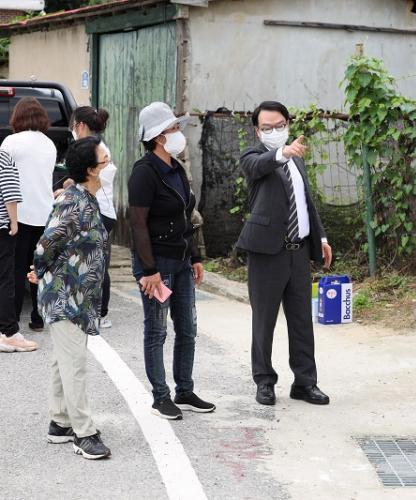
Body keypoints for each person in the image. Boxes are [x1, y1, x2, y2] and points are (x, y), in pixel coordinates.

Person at [236, 101, 333, 407]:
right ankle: (264, 381)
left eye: (279, 126)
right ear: (257, 131)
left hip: (298, 251)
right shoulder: (253, 156)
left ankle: (305, 382)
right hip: (267, 253)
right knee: (264, 320)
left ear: (288, 124)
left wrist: (321, 238)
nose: (274, 131)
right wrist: (282, 152)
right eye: (267, 128)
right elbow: (258, 167)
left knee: (302, 320)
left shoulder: (297, 160)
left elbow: (306, 202)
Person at [128, 102, 215, 420]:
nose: (180, 133)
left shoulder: (176, 168)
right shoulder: (144, 172)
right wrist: (149, 270)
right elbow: (138, 224)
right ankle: (160, 397)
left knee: (188, 329)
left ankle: (185, 390)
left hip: (181, 260)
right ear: (158, 136)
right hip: (157, 264)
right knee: (157, 330)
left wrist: (195, 256)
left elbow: (185, 217)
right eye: (174, 128)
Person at [29, 136, 111, 459]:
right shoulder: (72, 201)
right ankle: (83, 433)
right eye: (104, 160)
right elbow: (46, 244)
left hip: (78, 296)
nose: (108, 163)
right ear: (91, 169)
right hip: (64, 296)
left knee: (63, 360)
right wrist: (40, 270)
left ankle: (60, 422)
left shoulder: (87, 198)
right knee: (74, 363)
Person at [0, 97, 56, 331]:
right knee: (38, 267)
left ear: (17, 117)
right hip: (45, 214)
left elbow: (5, 180)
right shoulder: (50, 144)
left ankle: (11, 319)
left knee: (15, 268)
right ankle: (38, 317)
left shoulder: (10, 142)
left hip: (18, 214)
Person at [67, 106, 117, 329]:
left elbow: (94, 177)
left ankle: (100, 313)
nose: (73, 129)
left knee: (97, 263)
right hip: (97, 210)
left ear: (80, 126)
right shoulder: (91, 146)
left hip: (101, 212)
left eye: (73, 125)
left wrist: (69, 184)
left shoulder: (97, 149)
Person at [0, 150, 37, 353]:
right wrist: (14, 222)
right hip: (1, 228)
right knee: (5, 279)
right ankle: (8, 333)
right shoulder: (3, 158)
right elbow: (10, 192)